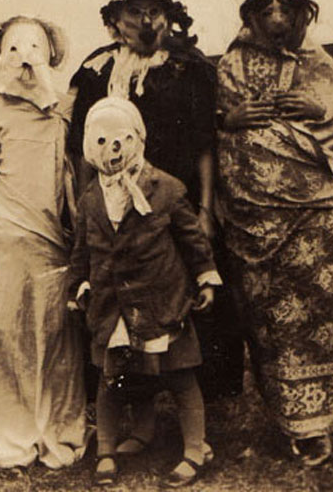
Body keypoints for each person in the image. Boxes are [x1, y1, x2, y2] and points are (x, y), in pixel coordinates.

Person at [68, 0, 245, 406]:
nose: (146, 22)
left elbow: (205, 144)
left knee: (194, 290)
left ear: (169, 17)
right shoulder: (96, 72)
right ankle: (129, 401)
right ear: (115, 20)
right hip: (115, 206)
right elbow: (84, 151)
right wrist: (89, 210)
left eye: (155, 12)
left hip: (177, 201)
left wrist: (205, 209)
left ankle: (203, 402)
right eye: (135, 12)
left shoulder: (189, 68)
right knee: (120, 294)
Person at [214, 0, 333, 466]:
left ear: (304, 13)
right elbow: (213, 125)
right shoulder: (232, 64)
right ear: (253, 15)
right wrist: (228, 121)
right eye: (267, 11)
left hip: (314, 216)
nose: (277, 20)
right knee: (271, 325)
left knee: (321, 319)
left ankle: (321, 424)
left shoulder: (320, 63)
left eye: (287, 10)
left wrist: (314, 109)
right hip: (254, 218)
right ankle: (291, 422)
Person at [0, 15, 87, 469]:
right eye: (13, 50)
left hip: (54, 239)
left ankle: (59, 431)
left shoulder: (62, 112)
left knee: (56, 333)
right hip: (10, 238)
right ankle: (13, 434)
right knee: (7, 331)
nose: (25, 60)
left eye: (34, 49)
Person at [68, 97, 220, 487]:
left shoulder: (166, 188)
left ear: (138, 139)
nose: (112, 151)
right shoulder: (91, 199)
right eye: (101, 142)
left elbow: (192, 239)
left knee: (180, 375)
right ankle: (107, 449)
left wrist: (205, 278)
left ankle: (194, 448)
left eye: (121, 140)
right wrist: (79, 285)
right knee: (113, 379)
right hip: (113, 304)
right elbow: (82, 251)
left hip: (162, 301)